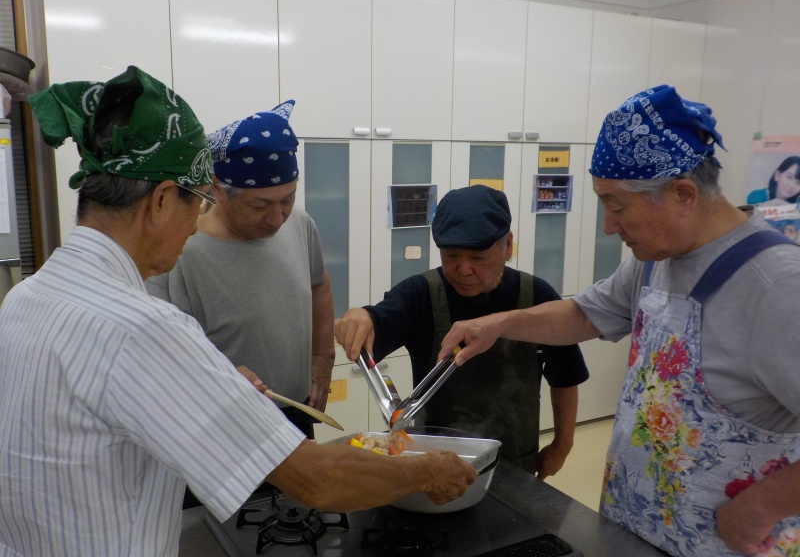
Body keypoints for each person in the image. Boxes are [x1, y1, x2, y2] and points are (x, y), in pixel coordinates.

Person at [0, 66, 475, 556]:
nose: (195, 224)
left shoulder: (27, 297)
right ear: (161, 201)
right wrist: (425, 471)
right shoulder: (143, 330)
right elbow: (316, 481)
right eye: (197, 201)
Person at [438, 85, 800, 557]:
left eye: (617, 205)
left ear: (683, 194)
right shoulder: (656, 260)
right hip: (635, 528)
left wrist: (762, 507)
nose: (609, 225)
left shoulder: (777, 287)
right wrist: (499, 324)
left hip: (726, 543)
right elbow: (584, 314)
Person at [335, 184, 589, 478]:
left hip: (514, 461)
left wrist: (562, 445)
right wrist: (361, 318)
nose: (463, 269)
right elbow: (377, 321)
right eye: (451, 255)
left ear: (507, 245)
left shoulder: (538, 297)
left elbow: (565, 376)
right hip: (433, 468)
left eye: (478, 258)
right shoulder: (421, 295)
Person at [147, 102, 333, 441]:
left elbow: (318, 284)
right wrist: (219, 380)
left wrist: (322, 357)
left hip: (297, 412)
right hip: (223, 425)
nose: (277, 218)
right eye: (260, 205)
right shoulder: (180, 253)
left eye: (287, 200)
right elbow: (159, 355)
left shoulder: (300, 223)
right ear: (219, 190)